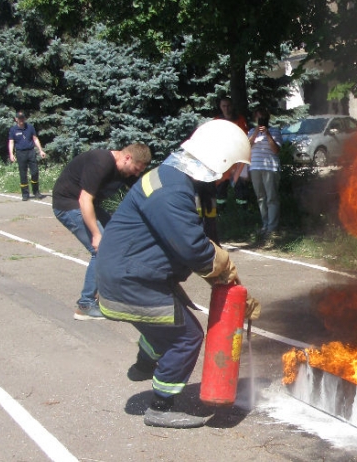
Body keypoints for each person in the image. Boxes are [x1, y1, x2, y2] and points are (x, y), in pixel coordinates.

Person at [94, 120, 259, 428]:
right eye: (230, 167)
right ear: (218, 159)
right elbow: (193, 248)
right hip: (130, 280)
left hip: (132, 274)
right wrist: (228, 276)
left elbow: (190, 239)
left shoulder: (173, 179)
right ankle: (161, 405)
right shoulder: (171, 190)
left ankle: (147, 359)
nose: (228, 176)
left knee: (171, 322)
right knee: (187, 337)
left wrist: (228, 278)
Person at [52, 143, 152, 320]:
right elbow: (84, 200)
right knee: (101, 250)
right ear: (127, 158)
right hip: (69, 205)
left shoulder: (126, 170)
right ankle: (86, 305)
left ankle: (109, 296)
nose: (135, 174)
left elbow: (143, 195)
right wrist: (97, 235)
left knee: (120, 239)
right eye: (136, 169)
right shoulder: (102, 161)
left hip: (91, 206)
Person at [247, 107, 283, 246]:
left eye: (262, 117)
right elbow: (247, 146)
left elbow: (276, 150)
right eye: (258, 117)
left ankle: (272, 227)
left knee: (271, 197)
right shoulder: (251, 132)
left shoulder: (274, 131)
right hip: (255, 167)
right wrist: (256, 132)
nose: (260, 120)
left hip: (270, 168)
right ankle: (265, 224)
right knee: (261, 198)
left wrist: (267, 134)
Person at [213, 96, 251, 214]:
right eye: (224, 106)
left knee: (240, 185)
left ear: (232, 106)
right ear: (220, 107)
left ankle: (242, 211)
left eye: (228, 105)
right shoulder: (216, 121)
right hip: (222, 158)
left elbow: (245, 137)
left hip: (237, 157)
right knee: (220, 186)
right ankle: (220, 212)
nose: (226, 108)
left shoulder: (240, 119)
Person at [8, 111, 48, 201]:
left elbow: (35, 139)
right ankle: (25, 194)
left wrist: (40, 150)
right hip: (20, 153)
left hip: (31, 152)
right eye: (19, 118)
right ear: (16, 119)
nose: (21, 120)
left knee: (35, 172)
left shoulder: (30, 127)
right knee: (23, 173)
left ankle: (36, 192)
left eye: (23, 118)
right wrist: (11, 154)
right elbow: (11, 142)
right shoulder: (13, 130)